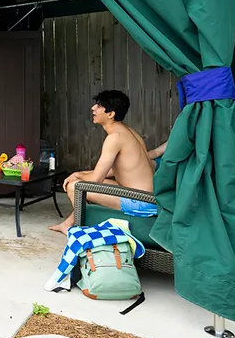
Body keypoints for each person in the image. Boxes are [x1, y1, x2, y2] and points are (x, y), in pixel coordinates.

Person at [48, 90, 155, 235]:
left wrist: (76, 177)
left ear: (110, 114)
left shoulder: (114, 138)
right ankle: (68, 224)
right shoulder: (129, 132)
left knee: (74, 187)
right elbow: (121, 170)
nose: (93, 108)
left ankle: (84, 232)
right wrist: (80, 173)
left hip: (140, 201)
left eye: (98, 106)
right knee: (80, 180)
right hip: (147, 196)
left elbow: (95, 180)